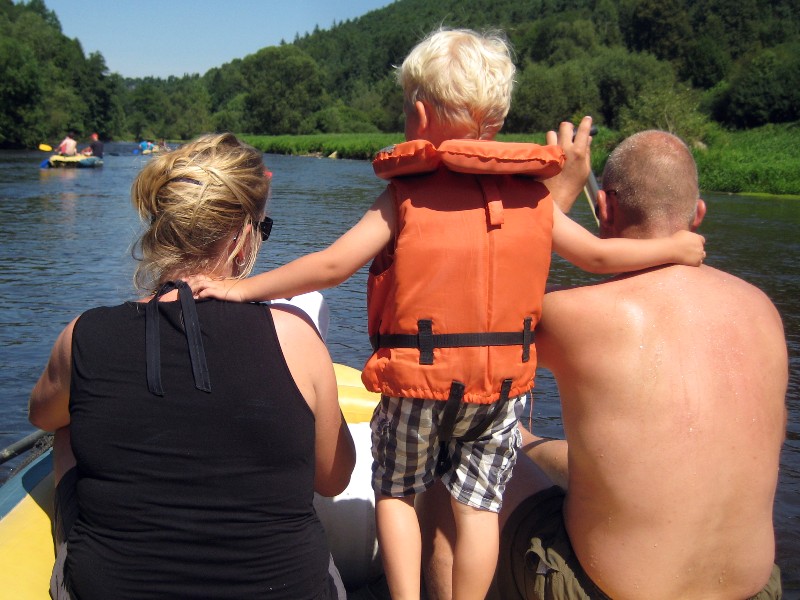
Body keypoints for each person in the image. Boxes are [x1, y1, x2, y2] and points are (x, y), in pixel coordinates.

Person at [187, 30, 704, 600]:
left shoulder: (404, 198)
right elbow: (600, 256)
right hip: (498, 387)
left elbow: (332, 265)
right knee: (478, 509)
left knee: (397, 494)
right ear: (498, 118)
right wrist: (675, 248)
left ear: (418, 111)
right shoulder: (533, 198)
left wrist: (244, 290)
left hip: (418, 384)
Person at [420, 130, 788, 600]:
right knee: (532, 442)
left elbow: (461, 322)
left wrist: (559, 193)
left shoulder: (577, 314)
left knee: (444, 442)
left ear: (605, 209)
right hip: (754, 592)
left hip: (597, 590)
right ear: (697, 216)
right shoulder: (763, 312)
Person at [28, 133, 356, 600]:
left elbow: (41, 416)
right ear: (242, 236)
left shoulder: (83, 334)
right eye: (261, 230)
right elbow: (334, 477)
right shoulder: (299, 338)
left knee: (65, 423)